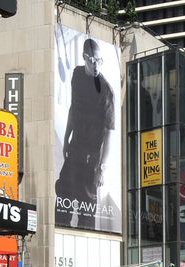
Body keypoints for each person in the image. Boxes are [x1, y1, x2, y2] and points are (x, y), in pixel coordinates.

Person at [55, 38, 116, 230]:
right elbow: (74, 108)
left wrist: (102, 168)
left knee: (87, 207)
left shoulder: (107, 91)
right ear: (84, 57)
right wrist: (66, 139)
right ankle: (61, 232)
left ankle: (85, 238)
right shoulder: (77, 75)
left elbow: (109, 134)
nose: (96, 64)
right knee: (63, 197)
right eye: (92, 60)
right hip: (75, 148)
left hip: (92, 158)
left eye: (99, 60)